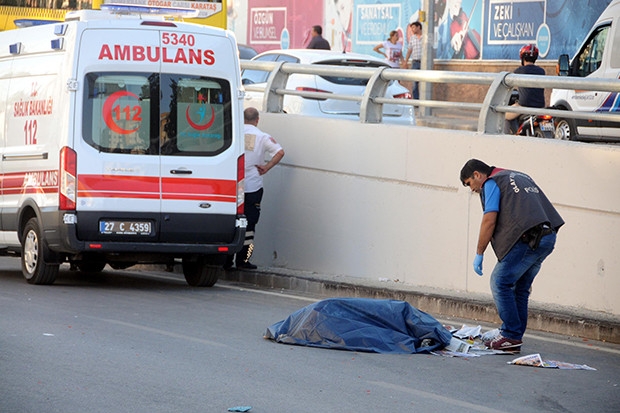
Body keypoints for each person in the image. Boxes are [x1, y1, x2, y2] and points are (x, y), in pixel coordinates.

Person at [459, 159, 564, 351]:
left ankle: (510, 335)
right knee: (520, 288)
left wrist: (479, 253)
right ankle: (513, 336)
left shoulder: (491, 183)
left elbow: (489, 220)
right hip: (547, 237)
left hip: (529, 239)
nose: (472, 189)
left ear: (476, 175)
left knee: (500, 281)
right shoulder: (518, 175)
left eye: (469, 183)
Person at [225, 107, 285, 270]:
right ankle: (243, 260)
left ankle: (226, 260)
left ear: (242, 118)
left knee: (230, 221)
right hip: (253, 186)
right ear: (257, 120)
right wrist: (267, 167)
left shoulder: (231, 132)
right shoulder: (262, 136)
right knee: (250, 225)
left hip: (231, 185)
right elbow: (280, 152)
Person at [505, 44, 546, 133]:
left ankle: (505, 138)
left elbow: (509, 82)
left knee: (504, 114)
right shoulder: (541, 71)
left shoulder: (520, 71)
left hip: (524, 105)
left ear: (522, 59)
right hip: (540, 106)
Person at [404, 21, 423, 100]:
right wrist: (406, 61)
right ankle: (416, 101)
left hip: (424, 63)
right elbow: (409, 50)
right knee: (415, 83)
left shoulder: (426, 36)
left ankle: (425, 100)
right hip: (415, 62)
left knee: (425, 82)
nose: (412, 29)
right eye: (411, 28)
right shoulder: (412, 38)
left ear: (418, 27)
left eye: (414, 27)